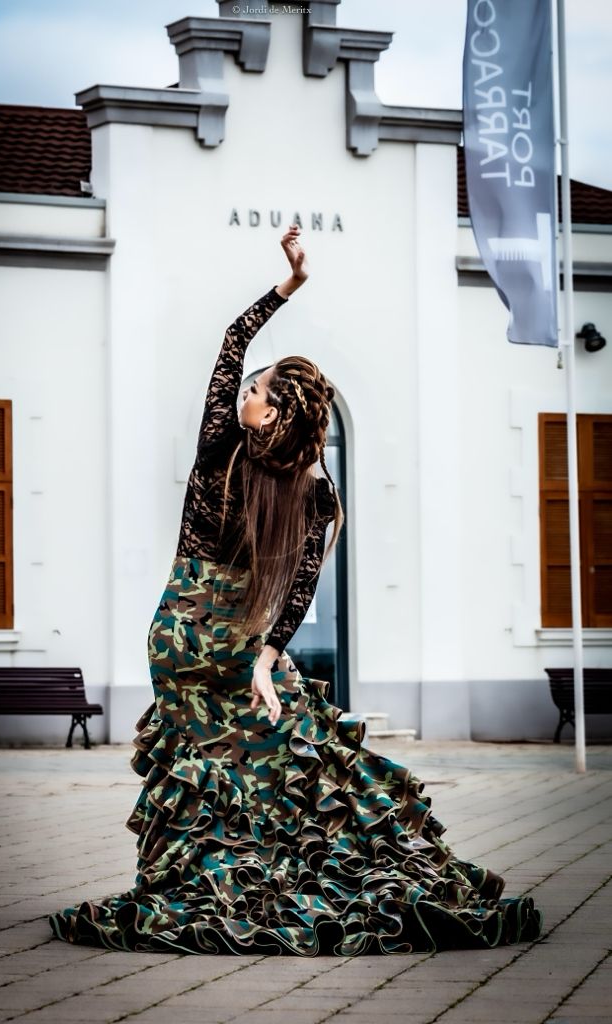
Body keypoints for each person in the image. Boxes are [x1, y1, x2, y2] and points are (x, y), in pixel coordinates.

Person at [49, 225, 544, 955]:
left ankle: (205, 879)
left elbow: (230, 340)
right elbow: (304, 581)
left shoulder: (218, 450)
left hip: (177, 636)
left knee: (200, 771)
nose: (244, 390)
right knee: (290, 757)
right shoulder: (309, 490)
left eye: (255, 389)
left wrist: (289, 285)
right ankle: (288, 870)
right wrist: (266, 655)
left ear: (272, 413)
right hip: (238, 642)